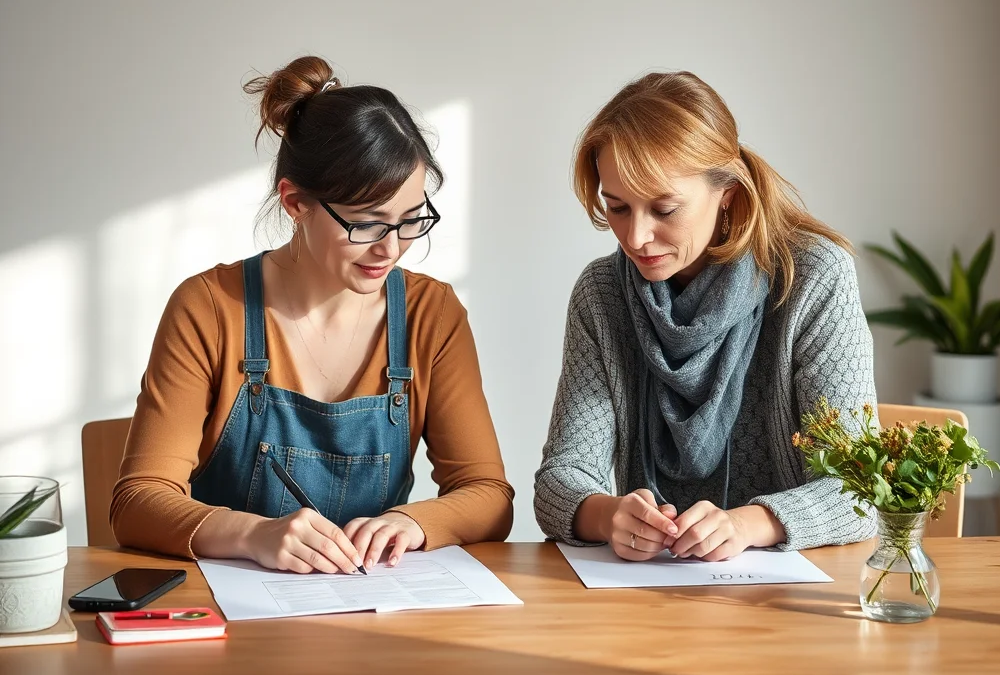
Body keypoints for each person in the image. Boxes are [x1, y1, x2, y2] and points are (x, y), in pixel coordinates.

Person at [111, 56, 513, 574]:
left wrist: (414, 523)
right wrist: (253, 535)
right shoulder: (209, 308)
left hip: (377, 613)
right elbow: (138, 502)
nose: (391, 249)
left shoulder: (431, 314)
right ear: (295, 203)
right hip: (233, 617)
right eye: (367, 224)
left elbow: (488, 495)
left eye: (411, 220)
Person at [535, 71, 877, 562]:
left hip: (795, 601)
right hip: (651, 600)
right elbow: (560, 480)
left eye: (665, 209)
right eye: (618, 207)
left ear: (728, 193)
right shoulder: (602, 294)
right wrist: (610, 514)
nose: (635, 238)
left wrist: (746, 524)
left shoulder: (814, 278)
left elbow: (860, 489)